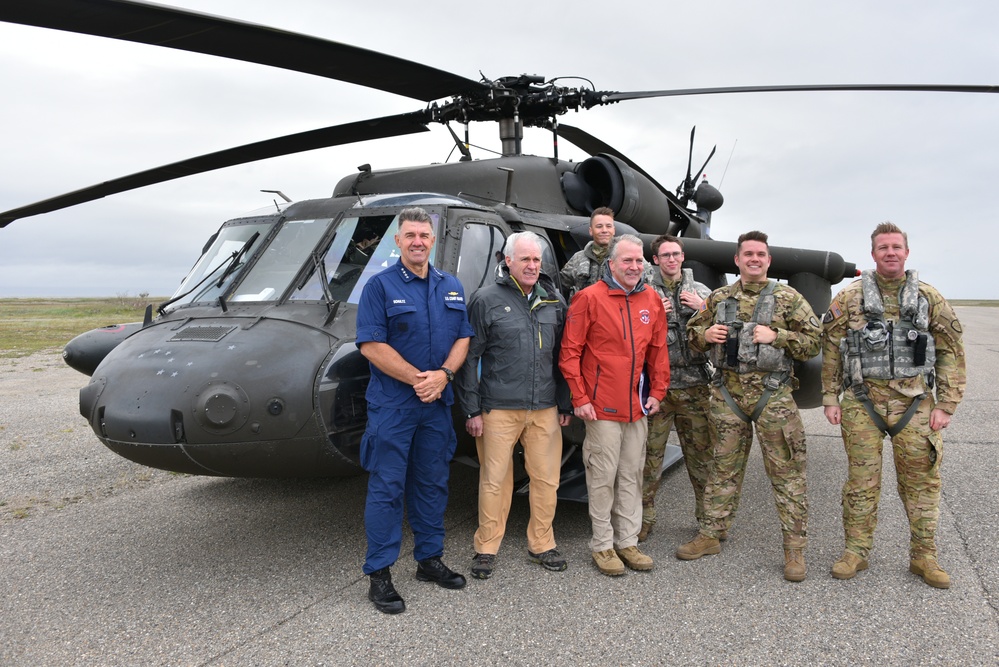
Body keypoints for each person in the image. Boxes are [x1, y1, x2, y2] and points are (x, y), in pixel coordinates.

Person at [821, 222, 965, 589]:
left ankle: (924, 556)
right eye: (883, 247)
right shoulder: (850, 298)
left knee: (922, 482)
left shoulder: (929, 298)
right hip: (861, 402)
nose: (890, 252)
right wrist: (829, 396)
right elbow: (831, 349)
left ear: (906, 252)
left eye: (896, 247)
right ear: (873, 254)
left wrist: (946, 404)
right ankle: (855, 551)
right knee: (860, 483)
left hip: (914, 403)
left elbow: (950, 352)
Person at [676, 230, 821, 582]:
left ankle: (794, 549)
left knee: (787, 473)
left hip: (773, 397)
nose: (754, 259)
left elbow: (815, 341)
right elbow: (693, 336)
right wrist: (705, 335)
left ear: (768, 261)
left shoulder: (788, 298)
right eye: (748, 254)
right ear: (737, 260)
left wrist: (779, 337)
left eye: (760, 254)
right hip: (728, 396)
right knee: (721, 469)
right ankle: (711, 534)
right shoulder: (720, 298)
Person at [355, 206, 475, 614]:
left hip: (436, 405)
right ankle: (381, 573)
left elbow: (463, 337)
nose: (418, 242)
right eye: (410, 235)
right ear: (398, 241)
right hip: (394, 406)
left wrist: (442, 375)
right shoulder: (380, 287)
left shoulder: (450, 284)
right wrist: (418, 380)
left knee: (432, 482)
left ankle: (428, 560)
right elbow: (371, 345)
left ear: (433, 240)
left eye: (424, 235)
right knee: (387, 488)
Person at [456, 232, 573, 580]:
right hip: (497, 408)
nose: (532, 266)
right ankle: (486, 548)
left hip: (544, 407)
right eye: (525, 259)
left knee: (546, 479)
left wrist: (564, 402)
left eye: (536, 260)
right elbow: (468, 358)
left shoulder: (553, 300)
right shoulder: (485, 300)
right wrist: (471, 410)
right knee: (494, 480)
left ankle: (542, 544)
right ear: (508, 261)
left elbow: (562, 356)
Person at [559, 234, 669, 576]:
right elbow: (570, 352)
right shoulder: (588, 298)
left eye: (639, 261)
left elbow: (658, 351)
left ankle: (628, 541)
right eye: (627, 261)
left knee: (631, 475)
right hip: (601, 406)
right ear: (612, 264)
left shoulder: (651, 298)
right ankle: (603, 545)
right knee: (603, 476)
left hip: (637, 407)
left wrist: (658, 391)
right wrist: (580, 397)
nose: (634, 267)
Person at [638, 235, 713, 542]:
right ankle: (643, 519)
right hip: (658, 390)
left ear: (683, 257)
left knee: (702, 459)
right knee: (648, 459)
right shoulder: (643, 292)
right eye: (664, 255)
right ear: (655, 259)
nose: (671, 259)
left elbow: (724, 329)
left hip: (695, 389)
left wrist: (704, 308)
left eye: (676, 254)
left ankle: (708, 521)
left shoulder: (702, 292)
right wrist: (655, 312)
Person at [559, 207, 617, 301]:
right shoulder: (577, 259)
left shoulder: (627, 258)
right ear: (591, 231)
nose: (604, 230)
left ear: (614, 230)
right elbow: (561, 286)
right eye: (599, 226)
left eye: (608, 226)